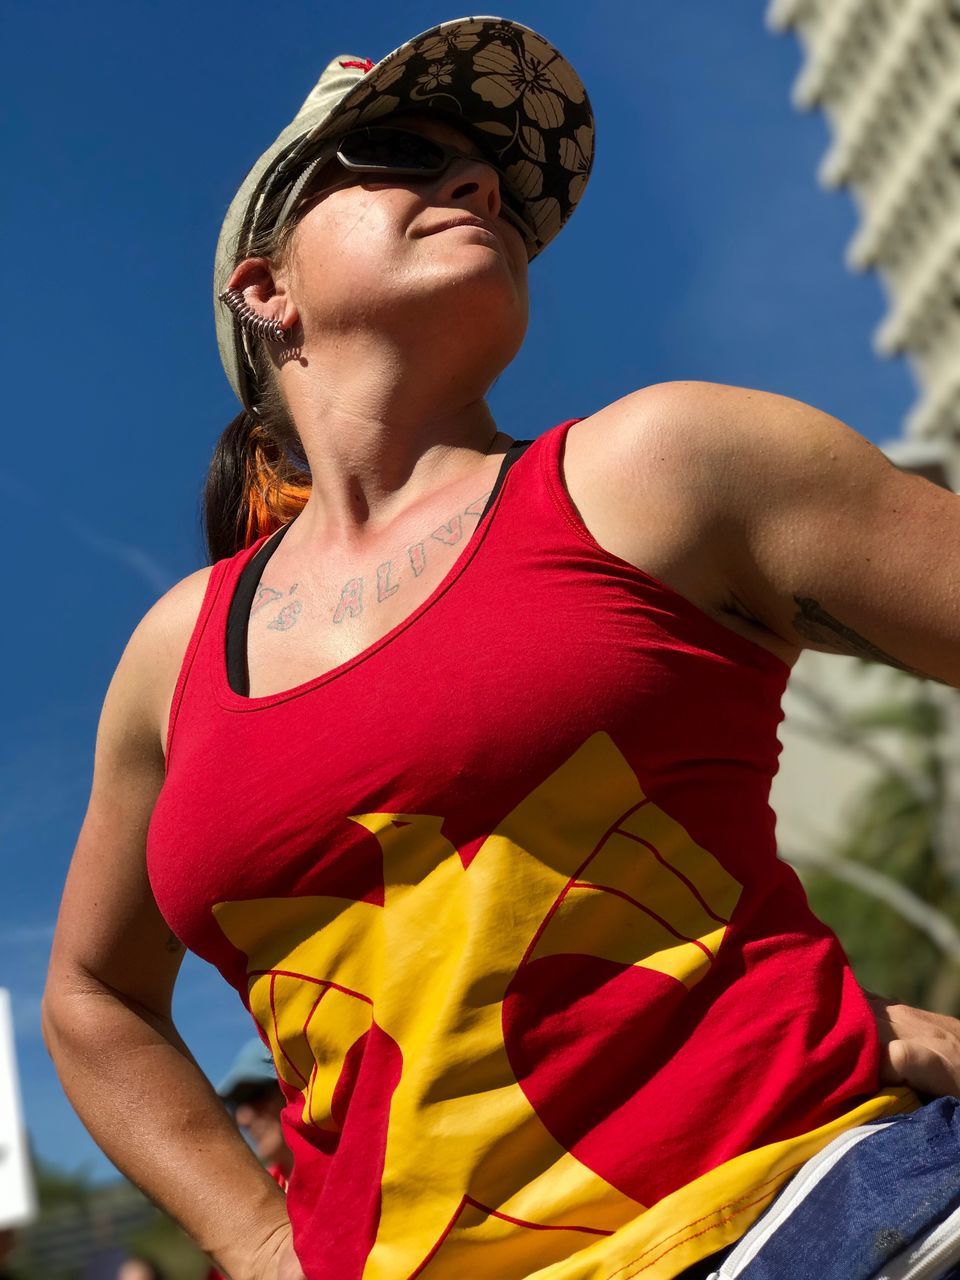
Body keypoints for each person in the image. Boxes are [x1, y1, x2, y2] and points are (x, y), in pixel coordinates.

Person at [41, 15, 960, 1280]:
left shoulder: (665, 465)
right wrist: (257, 1239)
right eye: (398, 156)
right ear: (267, 287)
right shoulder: (176, 654)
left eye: (487, 176)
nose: (476, 183)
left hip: (812, 1226)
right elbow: (91, 997)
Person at [216, 1039, 294, 1191]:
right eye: (236, 1104)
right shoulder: (255, 1193)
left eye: (254, 1095)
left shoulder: (349, 1173)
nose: (242, 1119)